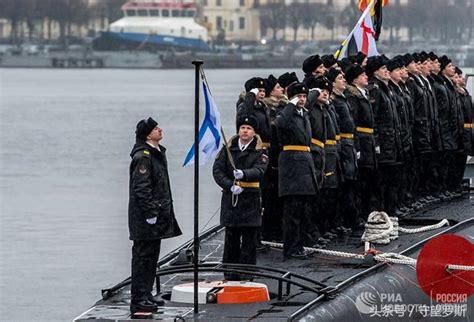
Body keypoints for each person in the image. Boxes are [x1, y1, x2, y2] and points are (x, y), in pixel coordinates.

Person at [128, 117, 182, 313]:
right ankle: (139, 298)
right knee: (143, 257)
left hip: (158, 214)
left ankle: (147, 294)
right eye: (155, 128)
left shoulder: (156, 153)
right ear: (147, 134)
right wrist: (150, 212)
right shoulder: (143, 156)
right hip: (145, 218)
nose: (160, 129)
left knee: (152, 257)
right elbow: (141, 188)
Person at [213, 115, 268, 280]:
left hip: (250, 199)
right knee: (231, 238)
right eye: (243, 128)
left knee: (249, 238)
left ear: (254, 132)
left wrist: (244, 174)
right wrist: (229, 185)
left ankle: (247, 272)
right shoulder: (228, 149)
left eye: (249, 128)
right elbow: (217, 171)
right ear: (238, 130)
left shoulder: (260, 151)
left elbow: (260, 171)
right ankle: (230, 271)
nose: (245, 131)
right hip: (232, 198)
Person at [275, 82, 318, 259]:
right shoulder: (286, 114)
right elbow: (280, 123)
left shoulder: (304, 115)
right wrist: (290, 104)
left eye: (303, 96)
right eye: (298, 96)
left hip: (305, 165)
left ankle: (299, 245)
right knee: (292, 211)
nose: (301, 99)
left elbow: (315, 94)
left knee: (303, 210)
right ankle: (290, 248)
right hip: (292, 166)